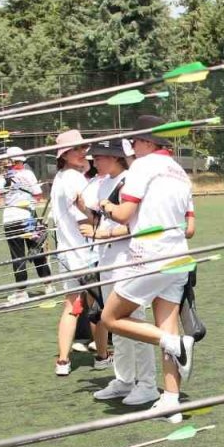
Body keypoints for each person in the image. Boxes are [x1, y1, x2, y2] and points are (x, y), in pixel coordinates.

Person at [99, 114, 197, 424]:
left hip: (148, 257)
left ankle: (175, 344)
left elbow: (125, 212)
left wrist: (106, 206)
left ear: (145, 142)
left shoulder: (142, 166)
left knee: (110, 318)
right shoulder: (181, 172)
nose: (131, 147)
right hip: (179, 255)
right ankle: (170, 400)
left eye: (134, 141)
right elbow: (190, 227)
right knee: (167, 326)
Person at [81, 141, 159, 406]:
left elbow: (138, 226)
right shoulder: (103, 183)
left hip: (127, 259)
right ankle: (124, 380)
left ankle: (147, 383)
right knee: (113, 321)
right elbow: (98, 216)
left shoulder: (130, 182)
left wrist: (102, 233)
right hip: (107, 259)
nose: (96, 162)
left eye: (101, 157)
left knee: (134, 321)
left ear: (116, 159)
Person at [48, 129, 92, 376]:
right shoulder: (74, 179)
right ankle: (102, 355)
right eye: (75, 149)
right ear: (63, 155)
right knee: (94, 305)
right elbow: (87, 212)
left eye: (82, 148)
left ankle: (63, 360)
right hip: (83, 253)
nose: (81, 153)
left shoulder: (62, 178)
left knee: (73, 306)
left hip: (67, 252)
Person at [0, 148, 51, 301]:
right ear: (21, 161)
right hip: (28, 218)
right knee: (37, 251)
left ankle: (21, 292)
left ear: (10, 161)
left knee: (18, 256)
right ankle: (48, 286)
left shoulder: (3, 177)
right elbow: (38, 195)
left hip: (10, 219)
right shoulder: (28, 174)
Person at [77, 149, 116, 371]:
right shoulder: (93, 185)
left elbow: (97, 219)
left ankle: (102, 351)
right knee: (98, 307)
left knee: (99, 306)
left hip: (100, 252)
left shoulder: (102, 183)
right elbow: (95, 219)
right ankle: (102, 354)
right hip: (94, 253)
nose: (93, 163)